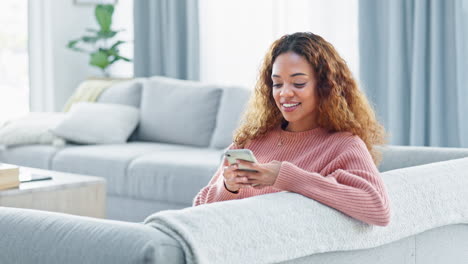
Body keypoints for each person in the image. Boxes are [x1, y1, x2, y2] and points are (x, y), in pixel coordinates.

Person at [193, 32, 391, 226]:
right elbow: (198, 210)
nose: (284, 93)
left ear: (325, 87)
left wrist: (283, 176)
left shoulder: (344, 145)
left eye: (298, 83)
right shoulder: (251, 139)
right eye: (277, 84)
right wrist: (228, 187)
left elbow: (378, 209)